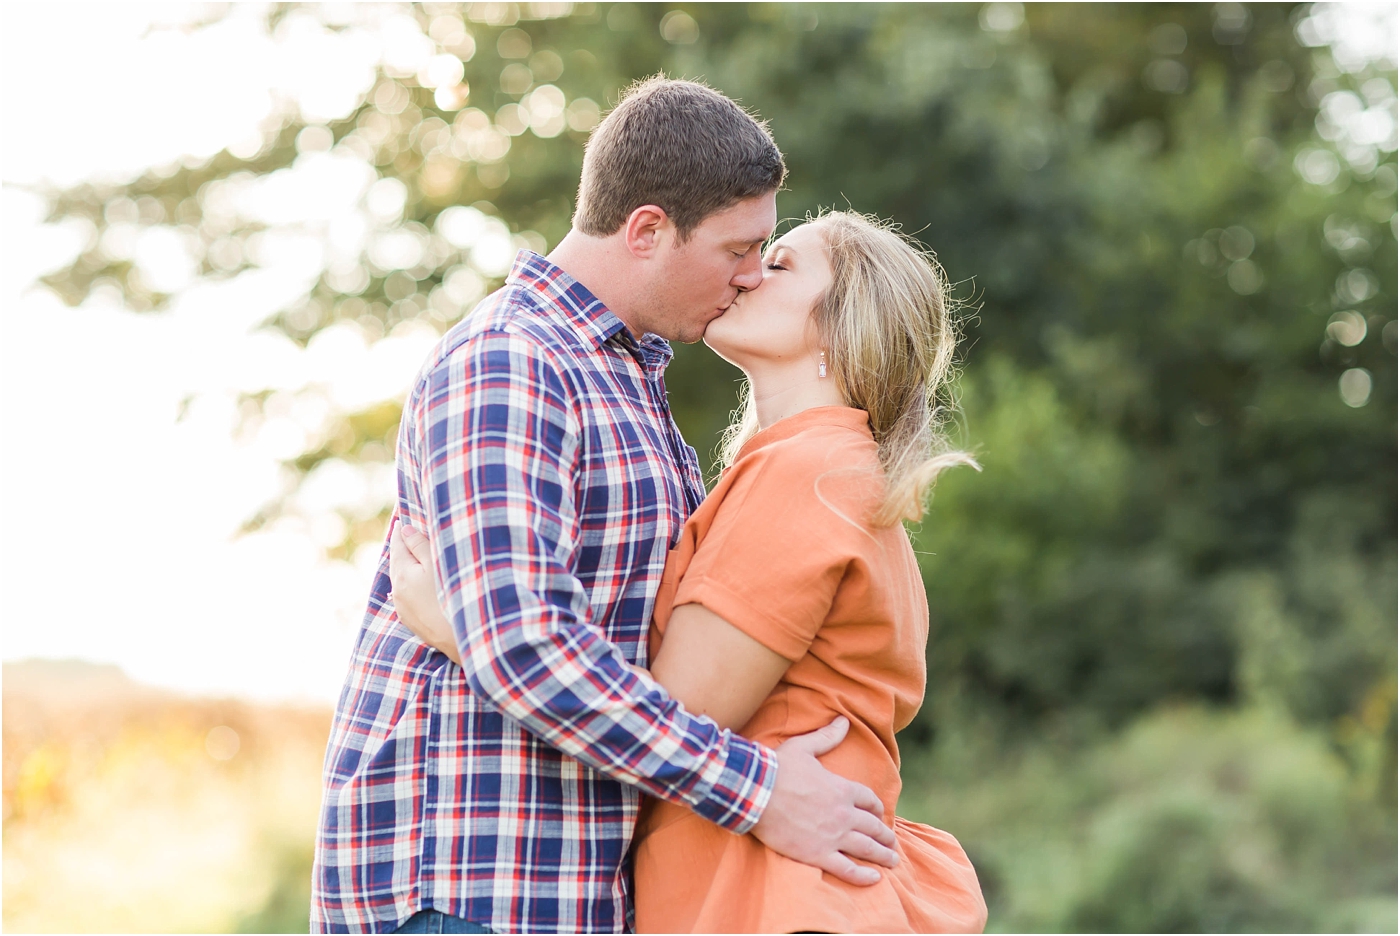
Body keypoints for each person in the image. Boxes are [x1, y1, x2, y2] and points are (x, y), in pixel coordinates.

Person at [311, 77, 901, 936]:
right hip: (472, 884)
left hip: (568, 884)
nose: (746, 278)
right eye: (739, 249)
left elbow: (629, 648)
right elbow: (524, 645)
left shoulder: (628, 376)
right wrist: (759, 790)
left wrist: (460, 630)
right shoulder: (514, 362)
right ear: (648, 230)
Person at [392, 211, 990, 933]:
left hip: (778, 898)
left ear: (840, 324)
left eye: (781, 266)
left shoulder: (809, 473)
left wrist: (475, 633)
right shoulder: (819, 469)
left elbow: (680, 709)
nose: (747, 272)